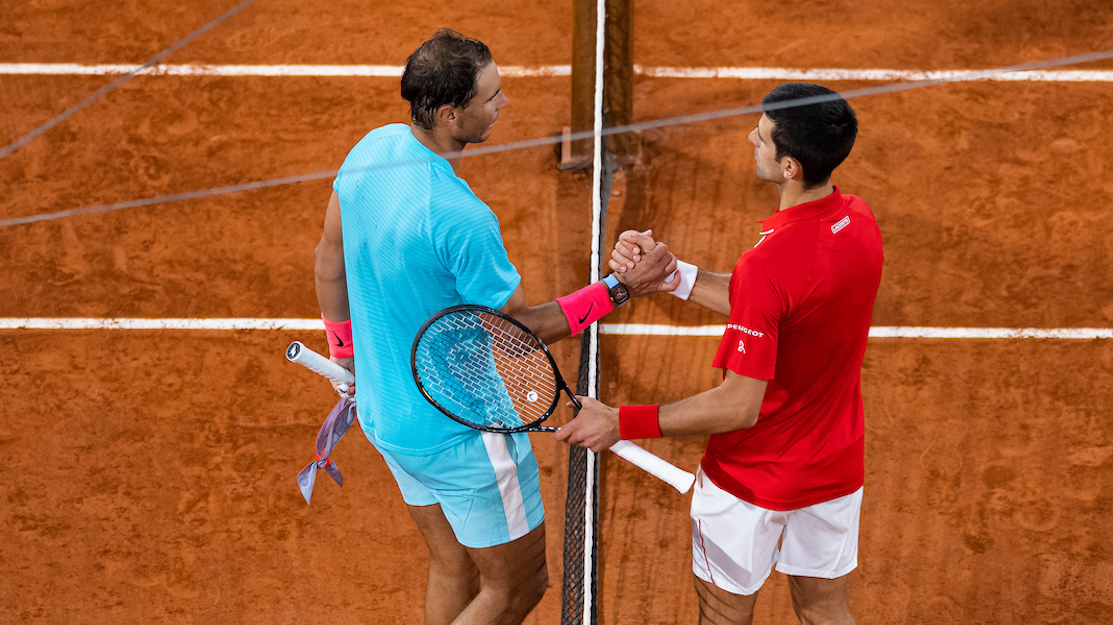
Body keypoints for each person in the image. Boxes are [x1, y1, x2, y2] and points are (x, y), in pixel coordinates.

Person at [313, 28, 678, 625]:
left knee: (452, 566)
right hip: (463, 436)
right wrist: (618, 290)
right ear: (450, 112)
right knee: (518, 587)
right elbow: (519, 330)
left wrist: (347, 358)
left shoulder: (370, 150)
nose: (503, 105)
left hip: (387, 417)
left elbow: (329, 260)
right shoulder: (461, 219)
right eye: (491, 97)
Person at [556, 83, 882, 625]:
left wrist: (621, 421)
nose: (750, 136)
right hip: (834, 471)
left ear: (790, 167)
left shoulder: (769, 264)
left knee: (723, 617)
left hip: (748, 485)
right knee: (827, 612)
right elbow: (782, 303)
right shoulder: (858, 222)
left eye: (765, 135)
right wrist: (674, 276)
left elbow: (739, 405)